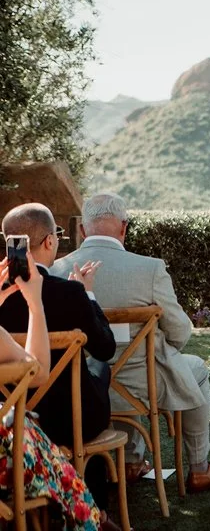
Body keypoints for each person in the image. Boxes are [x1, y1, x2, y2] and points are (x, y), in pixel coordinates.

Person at [51, 193, 210, 492]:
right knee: (195, 368)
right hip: (143, 384)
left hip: (80, 391)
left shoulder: (57, 271)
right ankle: (200, 468)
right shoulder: (149, 269)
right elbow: (180, 332)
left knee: (125, 366)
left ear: (82, 231)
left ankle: (133, 462)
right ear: (124, 227)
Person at [0, 203, 116, 516]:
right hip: (70, 421)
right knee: (99, 367)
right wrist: (87, 294)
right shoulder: (70, 293)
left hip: (14, 419)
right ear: (50, 241)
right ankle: (97, 501)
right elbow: (106, 347)